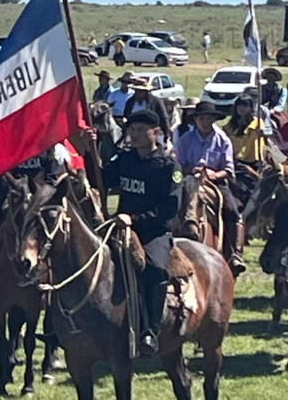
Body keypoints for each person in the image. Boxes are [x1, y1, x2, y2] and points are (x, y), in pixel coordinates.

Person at [98, 110, 182, 356]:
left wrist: (134, 219)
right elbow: (100, 179)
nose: (133, 135)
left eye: (139, 130)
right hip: (119, 228)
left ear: (155, 132)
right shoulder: (125, 159)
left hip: (153, 232)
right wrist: (87, 147)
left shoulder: (168, 166)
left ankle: (149, 330)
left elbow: (169, 208)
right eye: (131, 129)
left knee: (155, 269)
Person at [175, 102, 245, 276]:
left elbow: (228, 170)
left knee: (232, 211)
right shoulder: (185, 140)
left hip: (216, 183)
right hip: (189, 180)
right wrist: (192, 170)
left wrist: (213, 174)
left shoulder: (223, 140)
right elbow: (178, 165)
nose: (205, 122)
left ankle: (234, 253)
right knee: (170, 203)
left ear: (214, 119)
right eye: (201, 118)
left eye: (208, 118)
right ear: (195, 120)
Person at [224, 94, 265, 206]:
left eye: (245, 106)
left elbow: (263, 134)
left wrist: (261, 133)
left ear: (251, 108)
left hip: (251, 161)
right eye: (239, 106)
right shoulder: (230, 125)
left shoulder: (256, 122)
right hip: (234, 160)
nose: (241, 109)